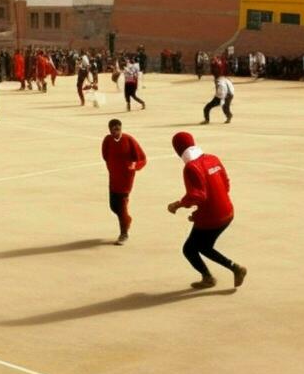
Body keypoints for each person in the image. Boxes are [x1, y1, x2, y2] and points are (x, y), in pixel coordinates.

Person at [165, 132, 245, 289]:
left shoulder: (191, 167)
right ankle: (233, 270)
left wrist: (178, 205)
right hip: (227, 211)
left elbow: (197, 195)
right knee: (203, 246)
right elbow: (226, 184)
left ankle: (220, 274)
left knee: (190, 249)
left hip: (212, 217)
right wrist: (198, 214)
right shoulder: (212, 158)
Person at [101, 119, 146, 245]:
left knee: (121, 207)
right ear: (110, 130)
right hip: (113, 178)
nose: (116, 132)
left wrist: (135, 166)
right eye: (113, 130)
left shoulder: (129, 140)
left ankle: (124, 233)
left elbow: (142, 158)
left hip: (126, 180)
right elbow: (105, 155)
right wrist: (112, 167)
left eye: (118, 129)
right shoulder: (107, 140)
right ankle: (127, 219)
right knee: (113, 206)